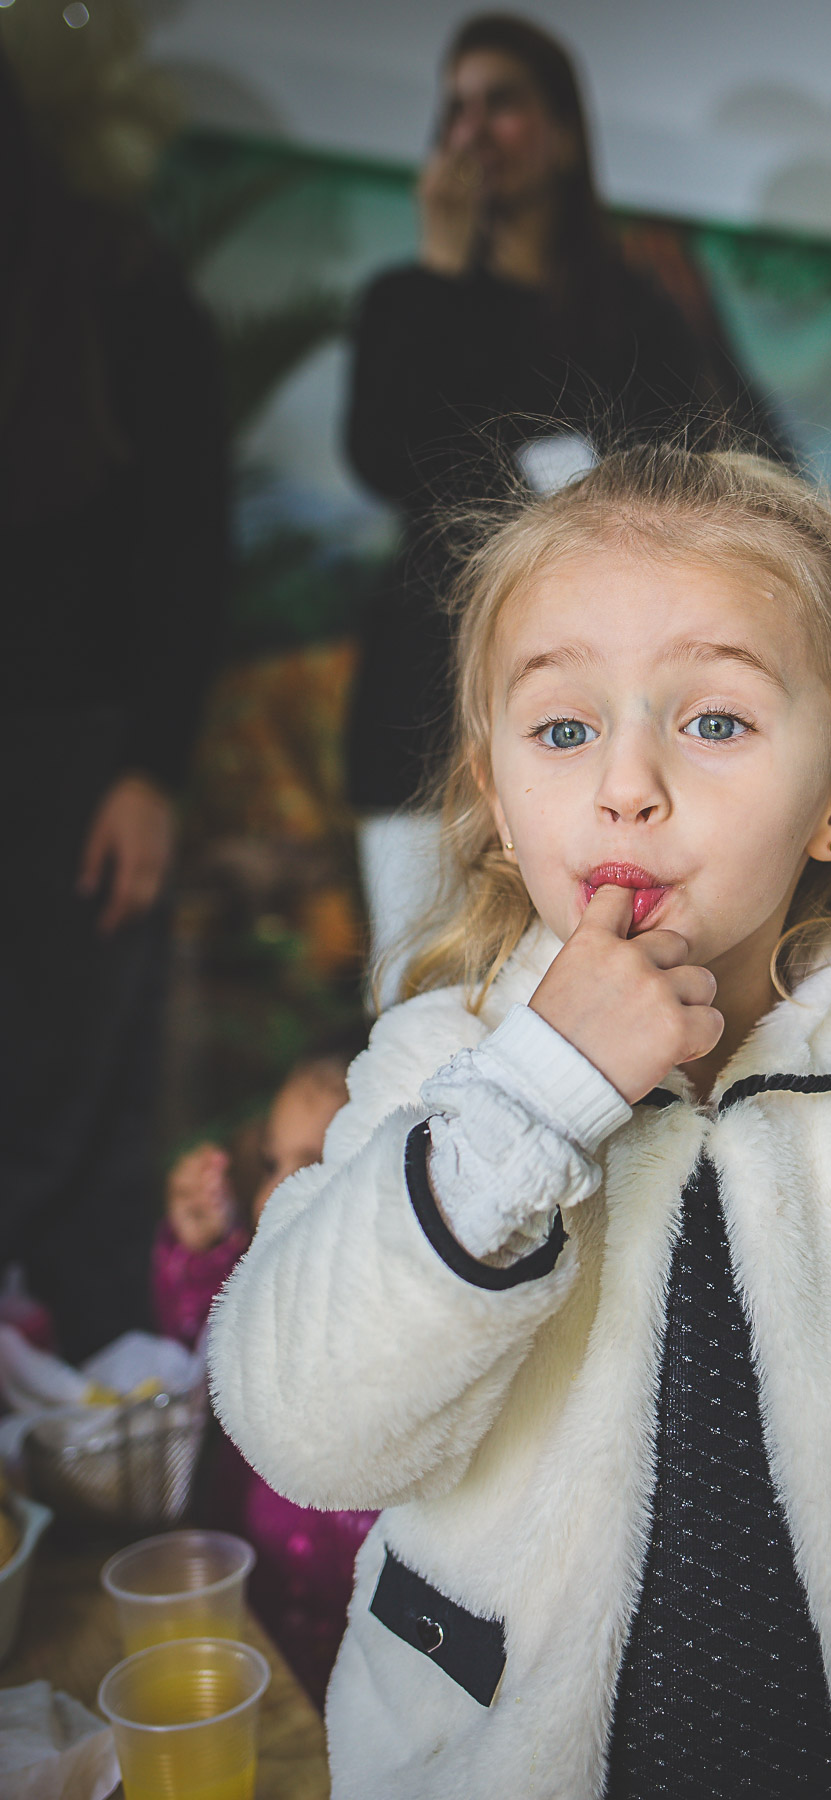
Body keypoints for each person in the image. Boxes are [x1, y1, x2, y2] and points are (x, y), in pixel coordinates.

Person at [209, 444, 831, 1799]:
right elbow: (303, 1427)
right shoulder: (439, 1076)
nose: (629, 784)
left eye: (714, 722)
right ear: (498, 803)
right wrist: (538, 1097)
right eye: (564, 729)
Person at [344, 13, 776, 989]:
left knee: (602, 986)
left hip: (607, 714)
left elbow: (726, 467)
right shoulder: (407, 298)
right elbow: (386, 458)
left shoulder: (635, 305)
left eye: (502, 103)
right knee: (423, 1000)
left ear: (565, 131)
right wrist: (441, 275)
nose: (472, 130)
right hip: (427, 700)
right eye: (454, 108)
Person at [0, 51, 228, 1360]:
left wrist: (151, 767)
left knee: (75, 1117)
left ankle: (97, 1450)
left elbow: (187, 548)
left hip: (85, 762)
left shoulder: (121, 287)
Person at [154, 1046, 375, 1704]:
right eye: (274, 1161)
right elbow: (202, 1339)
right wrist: (196, 1252)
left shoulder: (412, 1324)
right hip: (262, 1613)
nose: (274, 1187)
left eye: (312, 1163)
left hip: (367, 1649)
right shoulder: (257, 1277)